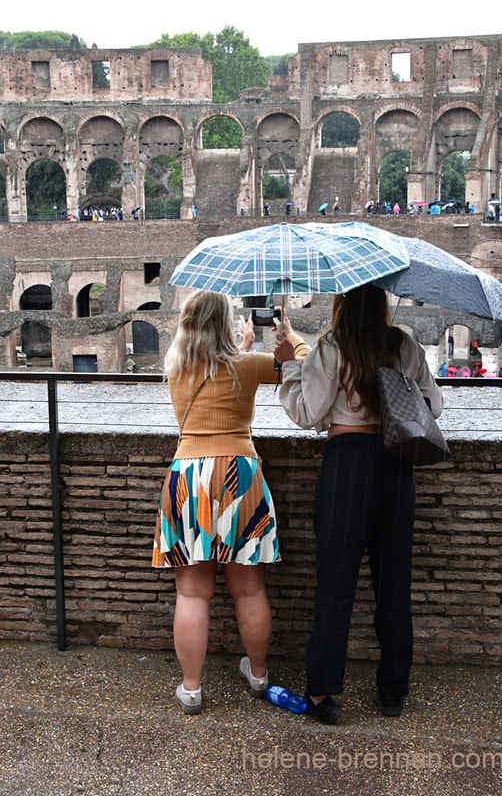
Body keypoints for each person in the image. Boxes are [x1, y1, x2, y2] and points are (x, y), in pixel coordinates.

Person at [274, 285, 442, 724]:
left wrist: (289, 366)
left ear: (342, 302)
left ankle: (322, 694)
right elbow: (434, 406)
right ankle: (392, 690)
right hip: (395, 462)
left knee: (336, 582)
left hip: (347, 462)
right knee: (393, 582)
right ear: (383, 303)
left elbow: (309, 413)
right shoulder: (402, 342)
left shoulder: (332, 345)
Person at [152, 291, 309, 715]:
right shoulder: (249, 365)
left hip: (189, 476)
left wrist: (238, 348)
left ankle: (191, 688)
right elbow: (303, 368)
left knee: (192, 593)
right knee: (249, 588)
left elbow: (212, 374)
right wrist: (287, 336)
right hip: (240, 476)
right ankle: (258, 675)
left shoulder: (175, 366)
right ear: (226, 323)